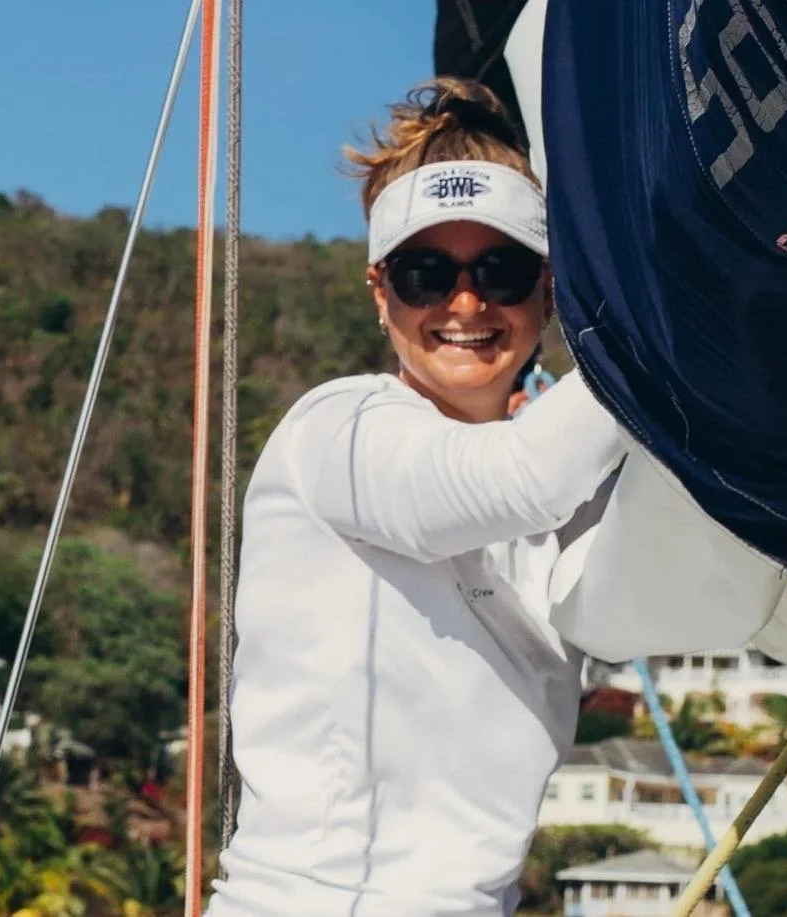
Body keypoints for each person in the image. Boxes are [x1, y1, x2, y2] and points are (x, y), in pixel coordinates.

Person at [206, 78, 626, 917]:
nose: (465, 304)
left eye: (500, 270)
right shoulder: (335, 432)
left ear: (549, 288)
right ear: (379, 292)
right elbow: (514, 478)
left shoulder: (580, 483)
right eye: (425, 273)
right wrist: (680, 318)